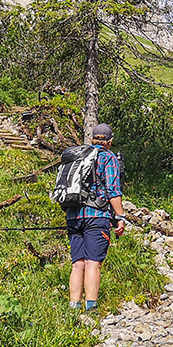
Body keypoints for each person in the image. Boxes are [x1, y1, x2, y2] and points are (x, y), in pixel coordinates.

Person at [67, 123, 127, 313]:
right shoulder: (108, 157)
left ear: (92, 138)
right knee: (93, 262)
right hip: (96, 216)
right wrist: (120, 217)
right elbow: (113, 191)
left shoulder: (80, 155)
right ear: (110, 141)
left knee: (78, 264)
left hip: (74, 215)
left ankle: (73, 308)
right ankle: (91, 308)